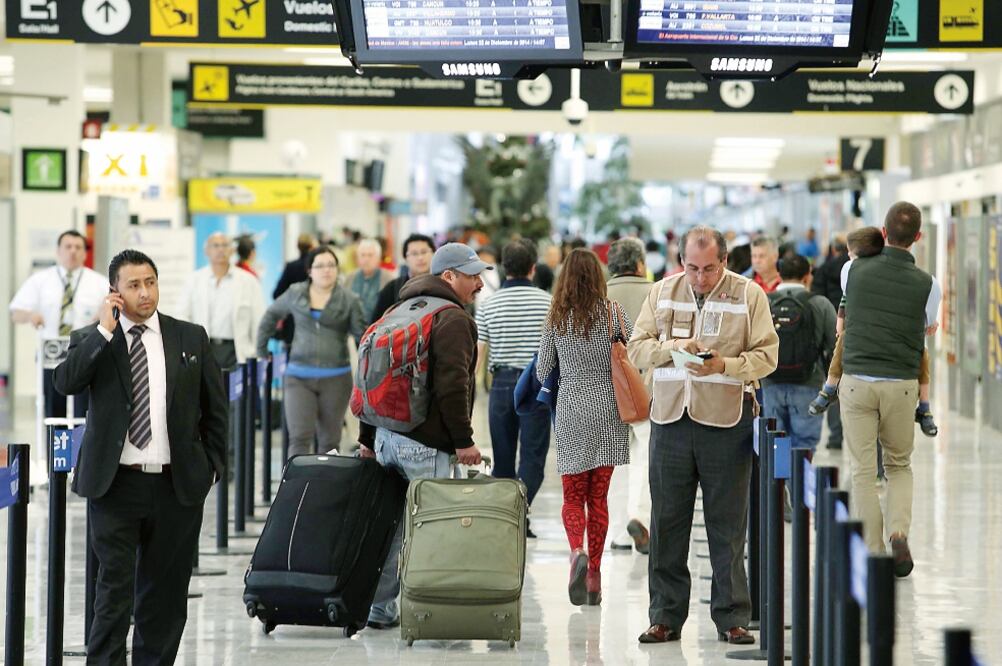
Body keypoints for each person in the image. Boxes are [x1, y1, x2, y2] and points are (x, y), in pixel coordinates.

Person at [53, 249, 227, 664]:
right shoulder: (94, 338)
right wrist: (102, 331)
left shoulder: (190, 337)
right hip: (115, 485)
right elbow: (66, 382)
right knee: (113, 591)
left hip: (175, 485)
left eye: (150, 282)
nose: (145, 293)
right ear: (115, 292)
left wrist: (212, 468)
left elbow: (216, 409)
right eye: (133, 285)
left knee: (164, 595)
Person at [629, 225, 778, 645]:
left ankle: (731, 616)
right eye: (692, 268)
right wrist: (671, 347)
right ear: (680, 262)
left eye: (709, 269)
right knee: (666, 522)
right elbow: (637, 348)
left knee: (727, 526)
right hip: (670, 421)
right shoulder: (661, 293)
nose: (700, 278)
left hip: (726, 424)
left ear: (725, 261)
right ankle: (665, 615)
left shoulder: (749, 295)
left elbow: (767, 355)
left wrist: (725, 366)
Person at [360, 242, 491, 630]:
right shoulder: (453, 320)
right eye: (471, 276)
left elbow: (369, 375)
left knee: (392, 527)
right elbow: (453, 387)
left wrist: (368, 438)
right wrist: (463, 442)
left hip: (386, 436)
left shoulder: (397, 310)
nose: (479, 283)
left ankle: (380, 607)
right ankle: (427, 612)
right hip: (426, 445)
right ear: (448, 277)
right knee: (431, 532)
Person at [834, 203, 941, 576]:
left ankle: (874, 550)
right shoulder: (929, 284)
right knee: (899, 465)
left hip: (857, 381)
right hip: (902, 383)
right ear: (919, 237)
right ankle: (898, 532)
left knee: (863, 470)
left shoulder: (852, 270)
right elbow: (928, 328)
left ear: (882, 231)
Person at [536, 248, 632, 607]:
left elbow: (542, 369)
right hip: (609, 409)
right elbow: (631, 354)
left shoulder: (557, 316)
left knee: (572, 496)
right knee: (599, 498)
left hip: (573, 409)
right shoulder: (613, 313)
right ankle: (594, 576)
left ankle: (576, 550)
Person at [809, 227, 939, 437]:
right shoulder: (925, 281)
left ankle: (829, 388)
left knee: (842, 346)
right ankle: (924, 407)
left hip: (860, 364)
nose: (849, 258)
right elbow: (927, 321)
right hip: (901, 368)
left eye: (851, 254)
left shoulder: (852, 270)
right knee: (923, 358)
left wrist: (840, 325)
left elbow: (844, 302)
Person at [255, 246, 365, 457]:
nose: (326, 270)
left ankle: (323, 489)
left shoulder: (350, 299)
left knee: (330, 441)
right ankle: (297, 489)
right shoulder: (295, 293)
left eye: (331, 265)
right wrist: (262, 350)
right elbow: (271, 315)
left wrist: (368, 370)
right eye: (320, 266)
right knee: (299, 438)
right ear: (310, 271)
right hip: (298, 377)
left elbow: (362, 336)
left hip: (336, 378)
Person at [475, 240, 552, 538]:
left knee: (503, 458)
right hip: (536, 384)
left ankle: (507, 519)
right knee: (533, 457)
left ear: (504, 268)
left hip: (502, 385)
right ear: (533, 268)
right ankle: (520, 513)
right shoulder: (548, 303)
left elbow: (479, 353)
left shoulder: (489, 305)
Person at [9, 230, 107, 417]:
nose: (72, 251)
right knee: (53, 413)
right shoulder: (40, 281)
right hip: (51, 355)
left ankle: (81, 446)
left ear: (85, 253)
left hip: (85, 356)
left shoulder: (99, 282)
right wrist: (30, 316)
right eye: (68, 247)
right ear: (58, 251)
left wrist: (102, 315)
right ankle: (52, 446)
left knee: (84, 412)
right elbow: (15, 312)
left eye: (78, 247)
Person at [604, 238, 655, 554]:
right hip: (649, 388)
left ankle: (619, 534)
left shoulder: (600, 296)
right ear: (640, 265)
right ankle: (642, 518)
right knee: (647, 459)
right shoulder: (657, 291)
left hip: (608, 390)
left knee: (616, 463)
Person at [761, 254, 836, 453]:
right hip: (808, 382)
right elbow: (835, 345)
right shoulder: (820, 304)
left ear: (779, 273)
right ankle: (800, 482)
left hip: (770, 382)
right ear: (807, 276)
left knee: (775, 444)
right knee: (804, 444)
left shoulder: (763, 302)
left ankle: (779, 484)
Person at [176, 232, 265, 370]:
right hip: (204, 349)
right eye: (215, 245)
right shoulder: (194, 280)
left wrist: (257, 355)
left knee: (236, 391)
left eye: (225, 245)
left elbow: (259, 321)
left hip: (236, 351)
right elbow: (182, 315)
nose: (220, 249)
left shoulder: (248, 281)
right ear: (206, 251)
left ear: (232, 250)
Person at [810, 235, 850, 449]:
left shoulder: (825, 270)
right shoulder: (857, 269)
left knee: (832, 382)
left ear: (834, 250)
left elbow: (818, 299)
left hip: (832, 332)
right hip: (853, 331)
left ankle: (835, 436)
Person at [371, 233, 437, 323]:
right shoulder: (392, 289)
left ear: (433, 254)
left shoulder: (443, 286)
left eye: (424, 252)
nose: (420, 258)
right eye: (414, 253)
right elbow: (376, 324)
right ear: (405, 258)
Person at [344, 238, 394, 324]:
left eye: (370, 255)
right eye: (363, 255)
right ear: (357, 258)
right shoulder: (349, 278)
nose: (366, 259)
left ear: (379, 258)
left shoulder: (389, 279)